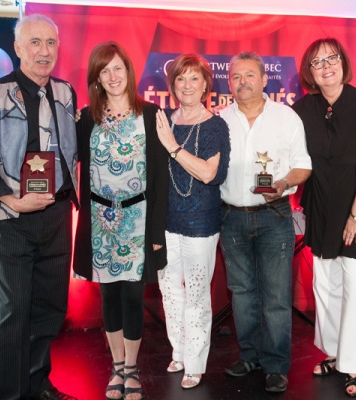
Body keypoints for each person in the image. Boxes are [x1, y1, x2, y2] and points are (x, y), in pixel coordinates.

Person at [0, 14, 78, 400]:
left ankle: (37, 383)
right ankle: (11, 394)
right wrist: (13, 199)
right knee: (14, 313)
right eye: (35, 42)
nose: (44, 51)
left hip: (57, 215)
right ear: (17, 48)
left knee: (50, 308)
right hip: (12, 218)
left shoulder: (66, 92)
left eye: (51, 42)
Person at [291, 38, 356, 398]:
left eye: (332, 58)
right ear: (309, 72)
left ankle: (355, 366)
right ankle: (334, 353)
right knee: (327, 288)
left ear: (343, 63)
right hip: (320, 210)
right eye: (317, 62)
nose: (326, 66)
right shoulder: (303, 109)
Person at [72, 42, 169, 400]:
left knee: (132, 295)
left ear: (128, 70)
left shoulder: (151, 114)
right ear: (96, 78)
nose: (112, 76)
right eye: (104, 70)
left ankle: (132, 368)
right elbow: (67, 159)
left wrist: (156, 231)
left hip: (137, 220)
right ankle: (116, 366)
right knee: (109, 296)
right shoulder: (86, 119)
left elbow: (160, 178)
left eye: (118, 68)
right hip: (101, 222)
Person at [219, 51, 312, 393]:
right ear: (229, 82)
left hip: (274, 215)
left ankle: (275, 365)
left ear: (263, 79)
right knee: (241, 293)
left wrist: (284, 183)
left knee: (275, 295)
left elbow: (303, 165)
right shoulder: (220, 120)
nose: (242, 82)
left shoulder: (286, 118)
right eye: (235, 76)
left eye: (249, 75)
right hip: (231, 216)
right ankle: (249, 356)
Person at [154, 53, 230, 390]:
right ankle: (180, 351)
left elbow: (209, 173)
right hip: (165, 220)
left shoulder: (215, 125)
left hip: (200, 221)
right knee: (169, 290)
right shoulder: (162, 120)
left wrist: (172, 148)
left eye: (194, 79)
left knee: (197, 293)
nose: (187, 85)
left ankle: (196, 363)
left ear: (205, 86)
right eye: (180, 78)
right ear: (172, 85)